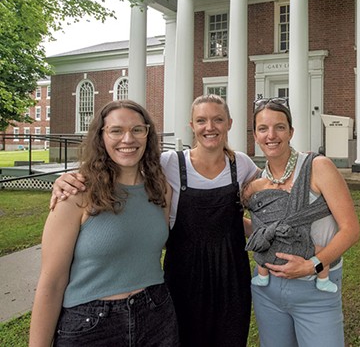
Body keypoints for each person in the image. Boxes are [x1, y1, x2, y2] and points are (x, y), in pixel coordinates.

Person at [51, 94, 259, 346]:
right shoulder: (169, 164)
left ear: (229, 123)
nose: (210, 127)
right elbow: (123, 167)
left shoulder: (243, 165)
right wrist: (68, 179)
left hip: (231, 273)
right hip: (184, 273)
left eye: (218, 119)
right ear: (191, 125)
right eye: (201, 120)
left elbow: (266, 199)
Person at [30, 100, 178, 346]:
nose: (128, 139)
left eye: (137, 129)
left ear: (148, 134)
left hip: (156, 315)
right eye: (116, 130)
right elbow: (52, 282)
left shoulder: (161, 190)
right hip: (91, 325)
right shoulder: (76, 193)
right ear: (101, 136)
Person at [247, 97, 360, 347]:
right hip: (268, 291)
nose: (271, 135)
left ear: (291, 132)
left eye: (279, 127)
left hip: (315, 291)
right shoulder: (257, 183)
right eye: (263, 129)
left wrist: (313, 266)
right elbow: (263, 231)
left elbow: (351, 230)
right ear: (255, 135)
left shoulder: (318, 167)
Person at [242, 176, 338, 293]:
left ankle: (262, 277)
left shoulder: (257, 212)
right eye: (271, 184)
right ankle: (323, 280)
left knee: (261, 252)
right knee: (321, 252)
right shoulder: (279, 200)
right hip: (295, 248)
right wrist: (295, 193)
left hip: (269, 256)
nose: (277, 185)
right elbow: (297, 207)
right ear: (264, 195)